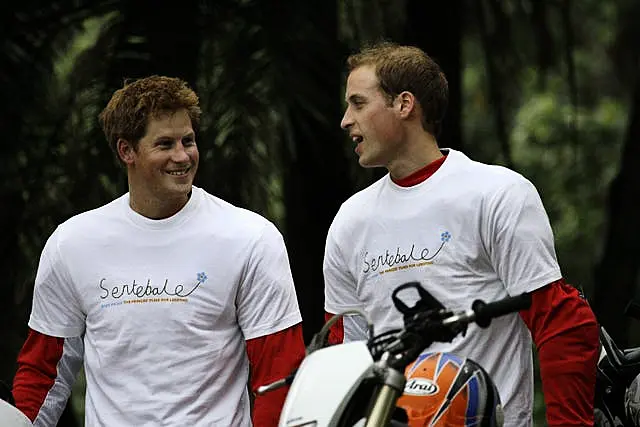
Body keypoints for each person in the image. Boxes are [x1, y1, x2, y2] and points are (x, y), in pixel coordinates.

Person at [323, 41, 600, 426]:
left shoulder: (497, 194)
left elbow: (562, 322)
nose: (345, 120)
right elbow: (343, 358)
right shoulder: (349, 221)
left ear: (405, 105)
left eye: (358, 103)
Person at [12, 75, 305, 426]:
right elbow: (44, 374)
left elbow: (277, 377)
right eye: (165, 144)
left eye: (189, 141)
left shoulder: (250, 237)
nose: (182, 156)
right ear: (127, 151)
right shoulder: (72, 243)